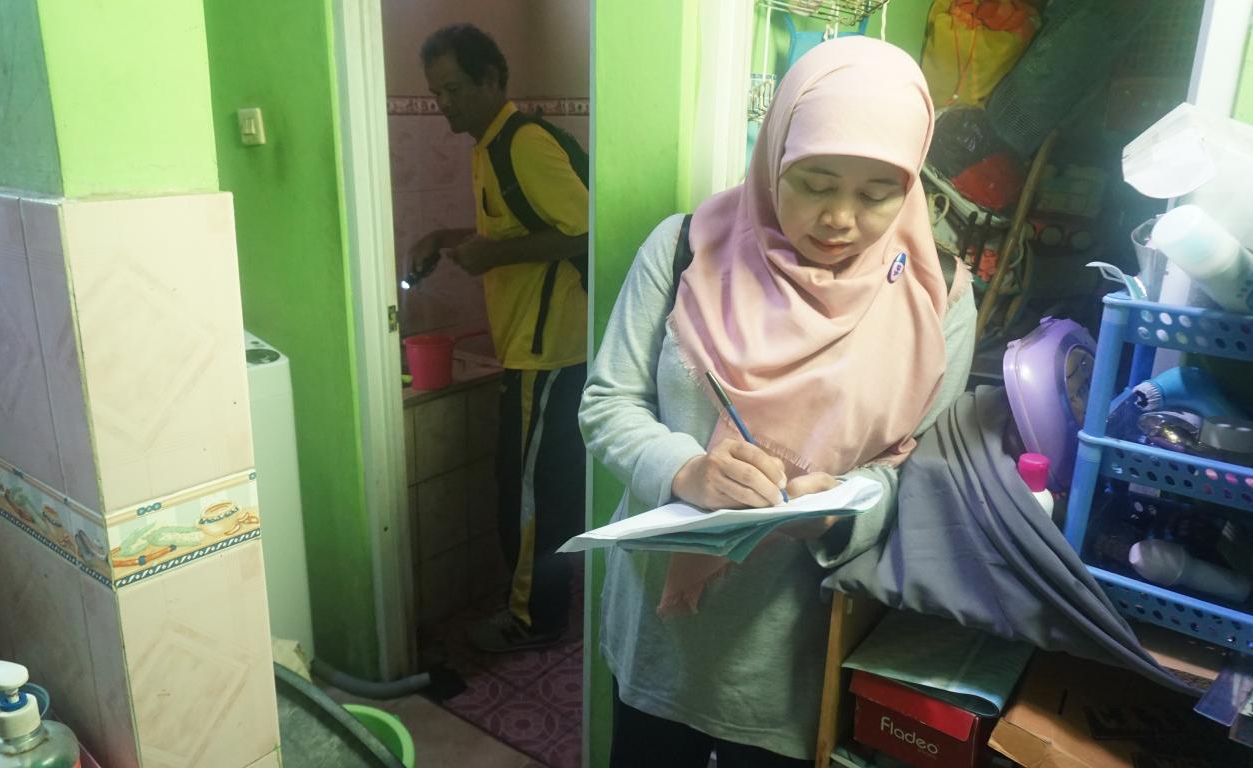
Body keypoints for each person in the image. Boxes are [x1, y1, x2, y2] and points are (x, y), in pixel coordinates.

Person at [579, 37, 976, 767]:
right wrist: (684, 470)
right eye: (814, 183)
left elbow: (924, 473)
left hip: (795, 647)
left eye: (877, 193)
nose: (840, 218)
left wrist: (844, 510)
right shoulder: (685, 249)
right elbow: (608, 401)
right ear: (773, 159)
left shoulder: (938, 295)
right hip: (660, 632)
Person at [410, 24, 588, 652]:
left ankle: (534, 620)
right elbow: (516, 230)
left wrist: (491, 257)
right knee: (523, 487)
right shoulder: (488, 147)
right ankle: (534, 605)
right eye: (436, 93)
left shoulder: (523, 144)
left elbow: (588, 229)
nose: (444, 104)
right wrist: (449, 238)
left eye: (454, 89)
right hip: (527, 351)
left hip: (551, 352)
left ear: (490, 80)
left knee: (531, 495)